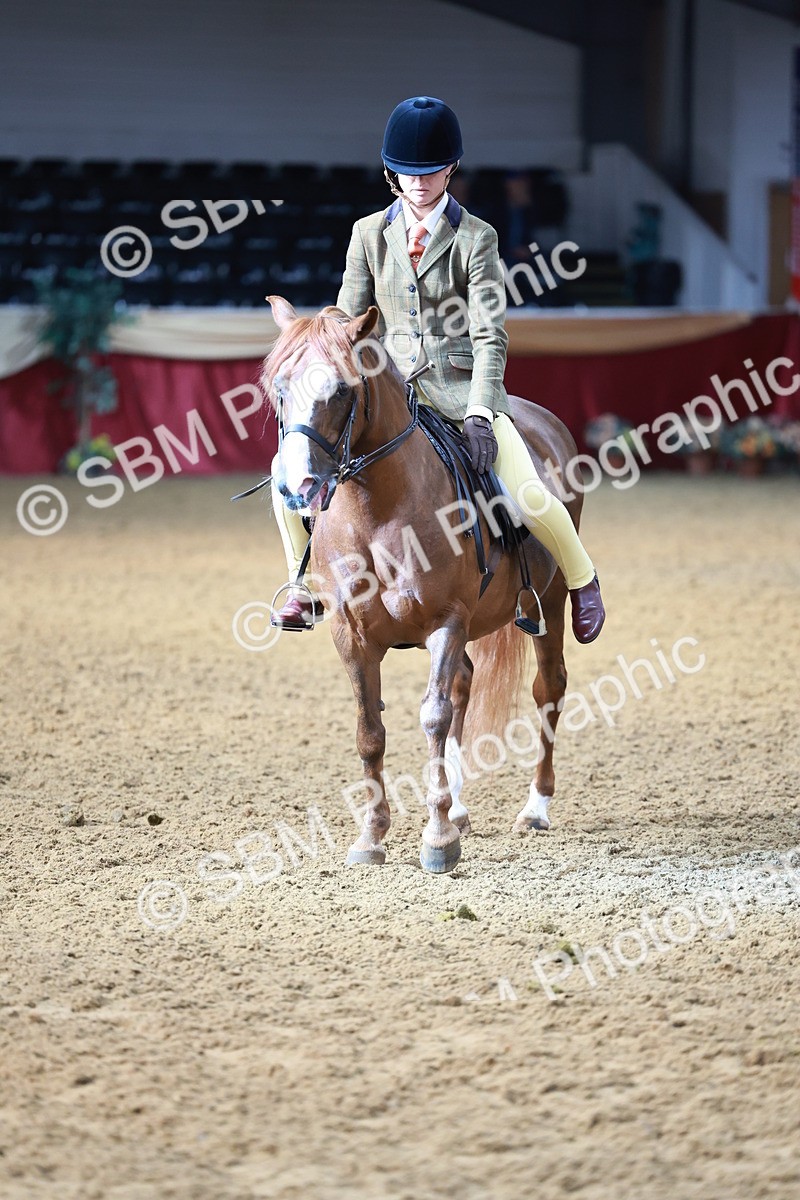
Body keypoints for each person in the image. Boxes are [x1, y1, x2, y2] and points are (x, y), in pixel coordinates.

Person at [270, 96, 605, 643]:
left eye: (430, 172)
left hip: (457, 391)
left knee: (528, 491)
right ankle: (300, 583)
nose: (419, 182)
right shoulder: (367, 234)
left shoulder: (478, 238)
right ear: (390, 173)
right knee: (289, 470)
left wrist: (479, 410)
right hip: (386, 393)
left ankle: (583, 578)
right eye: (407, 172)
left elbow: (489, 334)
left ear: (451, 170)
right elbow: (345, 321)